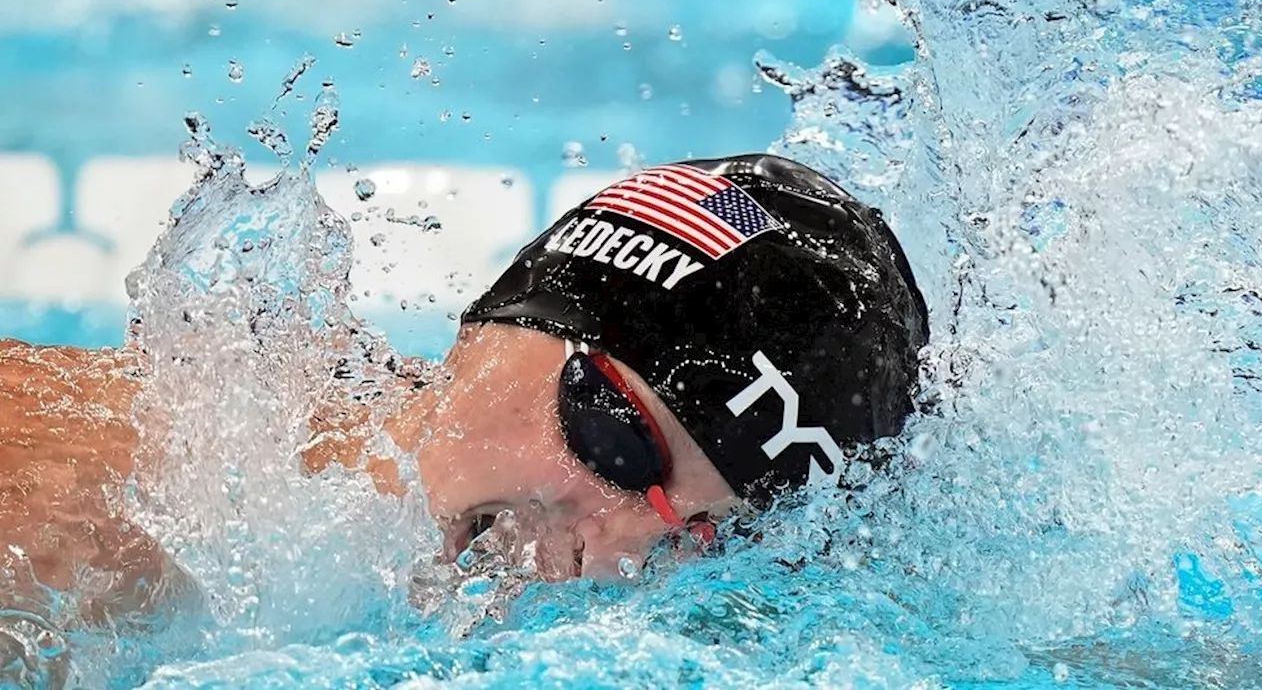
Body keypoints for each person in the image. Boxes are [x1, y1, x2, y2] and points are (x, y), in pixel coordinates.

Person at [0, 153, 928, 621]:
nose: (609, 553)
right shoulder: (79, 516)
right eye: (616, 438)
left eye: (699, 537)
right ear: (501, 327)